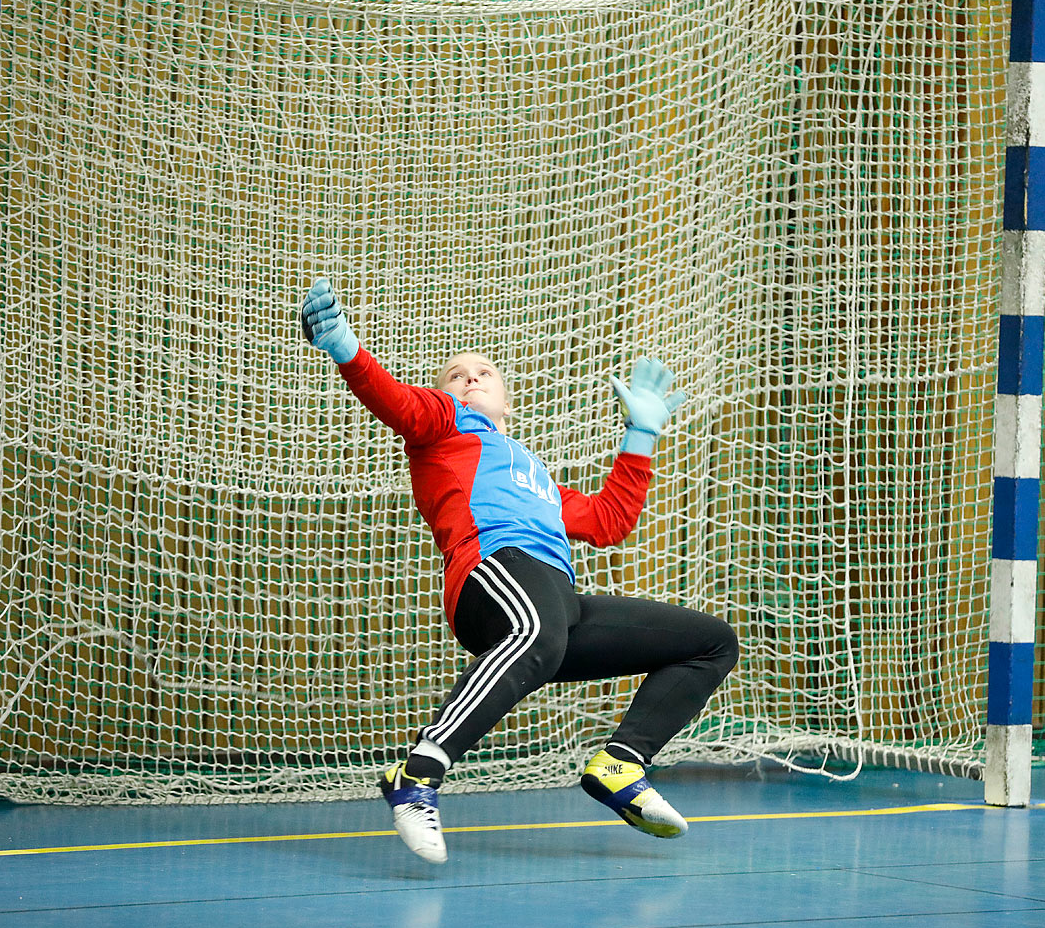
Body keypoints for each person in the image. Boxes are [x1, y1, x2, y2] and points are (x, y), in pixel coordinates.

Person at [300, 278, 739, 863]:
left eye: (482, 371)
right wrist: (347, 352)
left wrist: (641, 435)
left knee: (710, 643)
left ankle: (621, 765)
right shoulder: (445, 425)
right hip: (492, 575)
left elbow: (608, 521)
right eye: (456, 374)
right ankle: (419, 775)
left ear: (508, 401)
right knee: (535, 628)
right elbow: (397, 400)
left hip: (557, 599)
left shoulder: (538, 478)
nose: (469, 378)